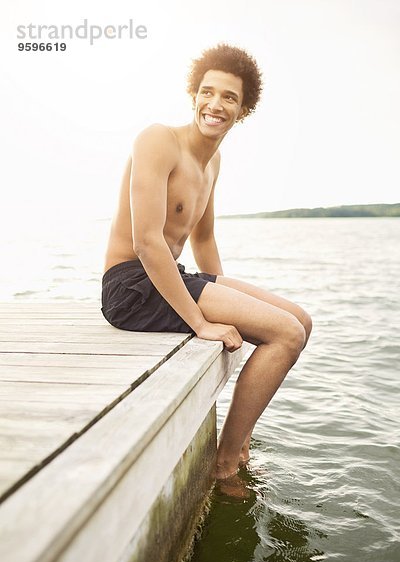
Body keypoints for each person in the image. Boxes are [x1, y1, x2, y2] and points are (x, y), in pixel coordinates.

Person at [102, 43, 312, 485]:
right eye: (207, 92)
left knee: (300, 320)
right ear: (193, 95)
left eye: (229, 97)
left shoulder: (212, 161)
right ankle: (226, 460)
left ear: (244, 109)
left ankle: (242, 436)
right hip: (130, 288)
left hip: (168, 277)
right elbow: (146, 242)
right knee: (285, 334)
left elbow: (203, 237)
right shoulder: (158, 139)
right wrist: (201, 321)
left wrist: (224, 295)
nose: (215, 104)